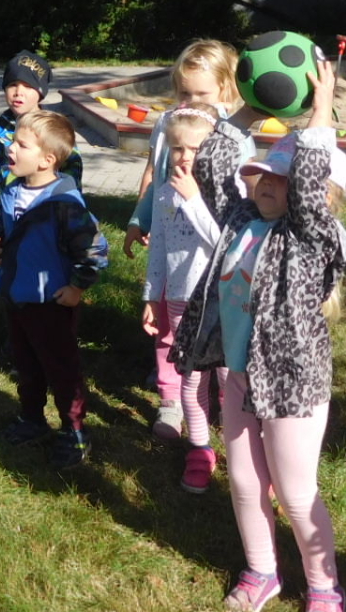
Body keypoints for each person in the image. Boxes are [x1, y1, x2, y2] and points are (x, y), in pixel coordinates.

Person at [173, 59, 346, 612]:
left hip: (293, 384)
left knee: (295, 493)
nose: (268, 183)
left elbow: (310, 184)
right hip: (241, 378)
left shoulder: (311, 237)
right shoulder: (242, 220)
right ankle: (262, 572)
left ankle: (324, 587)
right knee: (246, 484)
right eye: (265, 174)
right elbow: (213, 164)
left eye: (281, 178)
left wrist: (320, 111)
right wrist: (250, 108)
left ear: (313, 193)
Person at [124, 38, 257, 441]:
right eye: (184, 93)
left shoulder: (232, 135)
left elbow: (242, 200)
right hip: (175, 254)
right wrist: (139, 218)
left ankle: (223, 402)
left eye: (202, 94)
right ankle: (171, 400)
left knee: (221, 337)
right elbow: (155, 174)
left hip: (216, 261)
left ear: (226, 90)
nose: (191, 102)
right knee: (168, 333)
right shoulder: (167, 125)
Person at [0, 109, 109, 470]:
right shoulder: (13, 191)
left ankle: (74, 430)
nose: (11, 148)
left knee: (61, 368)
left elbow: (94, 250)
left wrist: (76, 288)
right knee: (26, 364)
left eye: (21, 145)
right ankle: (32, 418)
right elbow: (12, 231)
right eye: (13, 141)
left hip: (52, 303)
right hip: (18, 298)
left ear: (47, 160)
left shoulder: (65, 205)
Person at [138, 103, 223, 492]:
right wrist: (151, 297)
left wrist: (193, 198)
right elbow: (158, 250)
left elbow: (224, 244)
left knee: (230, 381)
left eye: (195, 148)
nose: (185, 156)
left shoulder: (220, 194)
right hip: (178, 299)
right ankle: (200, 449)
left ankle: (247, 452)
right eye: (177, 148)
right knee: (192, 382)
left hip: (219, 301)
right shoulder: (163, 194)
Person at [0, 51, 83, 251]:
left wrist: (71, 219)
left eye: (28, 86)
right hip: (9, 217)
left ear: (41, 92)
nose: (19, 92)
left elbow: (73, 176)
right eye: (12, 85)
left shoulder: (54, 129)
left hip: (50, 220)